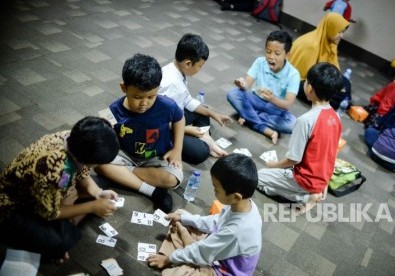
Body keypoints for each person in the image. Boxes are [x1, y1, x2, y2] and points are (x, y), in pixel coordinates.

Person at [0, 116, 119, 262]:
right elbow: (51, 213)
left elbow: (83, 170)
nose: (94, 167)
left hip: (46, 191)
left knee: (98, 187)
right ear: (85, 158)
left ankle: (71, 211)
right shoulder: (51, 171)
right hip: (13, 207)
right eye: (95, 163)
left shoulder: (74, 137)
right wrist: (92, 207)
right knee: (58, 242)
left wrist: (98, 193)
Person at [95, 53, 185, 213]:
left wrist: (177, 149)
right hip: (126, 155)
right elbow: (103, 138)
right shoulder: (112, 110)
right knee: (99, 163)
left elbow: (180, 119)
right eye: (137, 97)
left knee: (173, 178)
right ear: (123, 88)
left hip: (156, 157)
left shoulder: (167, 105)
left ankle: (124, 176)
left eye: (151, 96)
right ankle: (151, 191)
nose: (144, 103)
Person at [146, 154, 262, 276]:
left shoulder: (237, 231)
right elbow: (217, 221)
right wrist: (184, 219)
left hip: (223, 270)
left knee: (177, 272)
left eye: (216, 189)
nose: (214, 192)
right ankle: (187, 239)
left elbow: (204, 252)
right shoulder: (244, 204)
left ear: (236, 197)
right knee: (181, 215)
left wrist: (169, 259)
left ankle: (186, 241)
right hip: (217, 249)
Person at [257, 62, 343, 214]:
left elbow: (293, 160)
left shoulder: (306, 120)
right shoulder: (336, 118)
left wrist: (273, 165)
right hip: (320, 179)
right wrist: (325, 183)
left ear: (309, 88)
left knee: (257, 177)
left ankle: (303, 197)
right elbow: (332, 154)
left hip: (302, 180)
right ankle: (310, 193)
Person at [158, 33, 232, 165]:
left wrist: (214, 114)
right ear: (188, 63)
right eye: (200, 66)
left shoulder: (177, 70)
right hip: (164, 129)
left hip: (176, 117)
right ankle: (205, 141)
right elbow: (159, 121)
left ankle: (205, 138)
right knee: (201, 153)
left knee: (204, 111)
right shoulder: (171, 85)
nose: (200, 69)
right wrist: (186, 130)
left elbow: (186, 100)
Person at [227, 30, 300, 144]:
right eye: (268, 51)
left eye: (277, 53)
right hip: (255, 100)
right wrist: (242, 84)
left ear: (287, 55)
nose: (271, 57)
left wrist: (272, 99)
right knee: (233, 93)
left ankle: (248, 115)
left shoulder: (293, 74)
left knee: (293, 124)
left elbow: (288, 105)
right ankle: (264, 129)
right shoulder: (260, 62)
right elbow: (246, 84)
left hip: (276, 108)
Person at [288, 12, 350, 107]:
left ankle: (341, 99)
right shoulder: (311, 45)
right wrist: (331, 85)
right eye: (339, 32)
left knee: (345, 82)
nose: (341, 36)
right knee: (331, 98)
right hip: (299, 81)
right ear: (330, 28)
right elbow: (308, 76)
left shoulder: (330, 43)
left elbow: (334, 69)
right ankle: (341, 100)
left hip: (318, 75)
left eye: (343, 32)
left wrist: (339, 84)